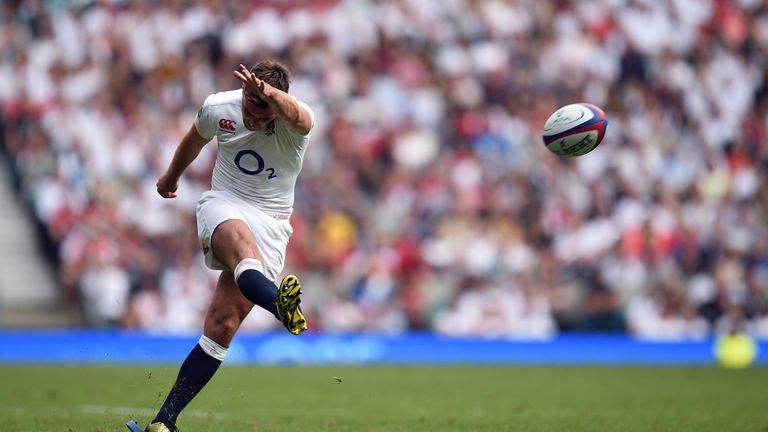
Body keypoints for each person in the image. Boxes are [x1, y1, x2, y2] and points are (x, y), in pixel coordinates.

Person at [129, 60, 314, 432]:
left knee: (222, 325)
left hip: (273, 222)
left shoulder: (296, 122)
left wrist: (270, 96)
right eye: (248, 102)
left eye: (261, 109)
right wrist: (170, 176)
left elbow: (302, 117)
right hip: (225, 202)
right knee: (244, 253)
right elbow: (194, 139)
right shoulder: (220, 106)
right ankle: (280, 304)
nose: (251, 114)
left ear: (276, 103)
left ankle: (162, 424)